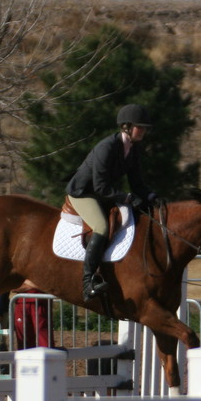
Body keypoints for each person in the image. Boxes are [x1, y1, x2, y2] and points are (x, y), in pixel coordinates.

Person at [66, 103, 158, 302]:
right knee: (101, 227)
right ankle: (88, 282)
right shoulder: (106, 147)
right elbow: (100, 187)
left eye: (144, 127)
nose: (143, 131)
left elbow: (137, 183)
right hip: (84, 193)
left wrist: (152, 197)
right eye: (139, 127)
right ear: (126, 126)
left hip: (103, 194)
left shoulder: (133, 149)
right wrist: (126, 197)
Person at [12, 282, 54, 350]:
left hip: (40, 301)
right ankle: (25, 360)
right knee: (23, 338)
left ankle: (48, 359)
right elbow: (13, 287)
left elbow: (49, 284)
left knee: (43, 336)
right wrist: (33, 285)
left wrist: (28, 286)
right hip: (21, 302)